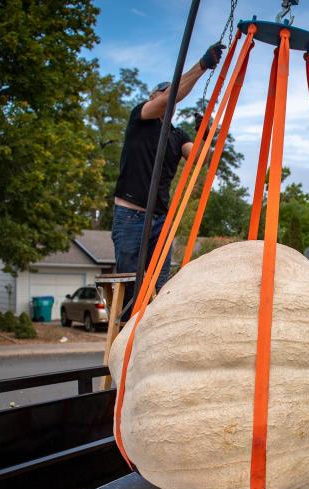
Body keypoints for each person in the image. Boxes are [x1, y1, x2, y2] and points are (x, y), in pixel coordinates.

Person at [111, 42, 225, 316]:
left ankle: (152, 340)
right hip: (131, 215)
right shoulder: (141, 117)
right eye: (162, 95)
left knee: (160, 286)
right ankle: (126, 347)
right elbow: (170, 99)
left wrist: (205, 135)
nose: (167, 100)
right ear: (153, 98)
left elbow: (199, 158)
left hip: (160, 220)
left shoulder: (177, 135)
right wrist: (201, 66)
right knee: (131, 285)